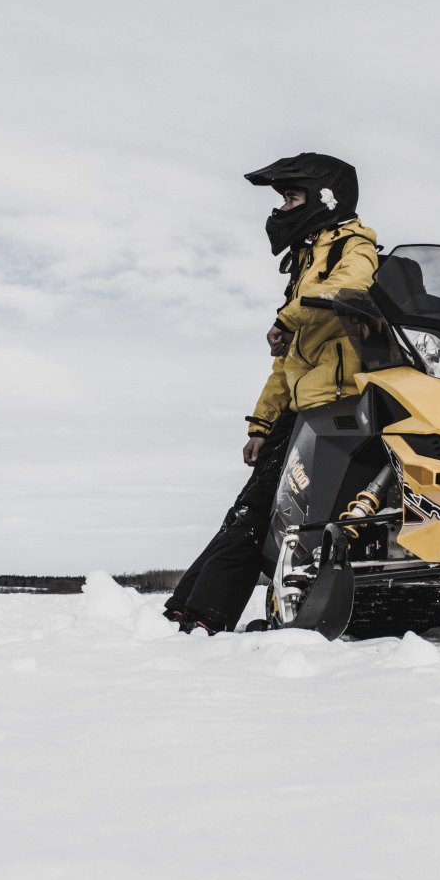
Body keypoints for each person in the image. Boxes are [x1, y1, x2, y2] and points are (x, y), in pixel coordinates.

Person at [164, 153, 379, 635]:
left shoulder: (352, 243)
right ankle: (194, 611)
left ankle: (201, 615)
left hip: (339, 402)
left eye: (291, 196)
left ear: (323, 199)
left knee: (263, 508)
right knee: (253, 508)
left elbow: (350, 284)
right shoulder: (304, 264)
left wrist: (290, 317)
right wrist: (262, 425)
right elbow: (288, 365)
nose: (282, 208)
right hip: (304, 407)